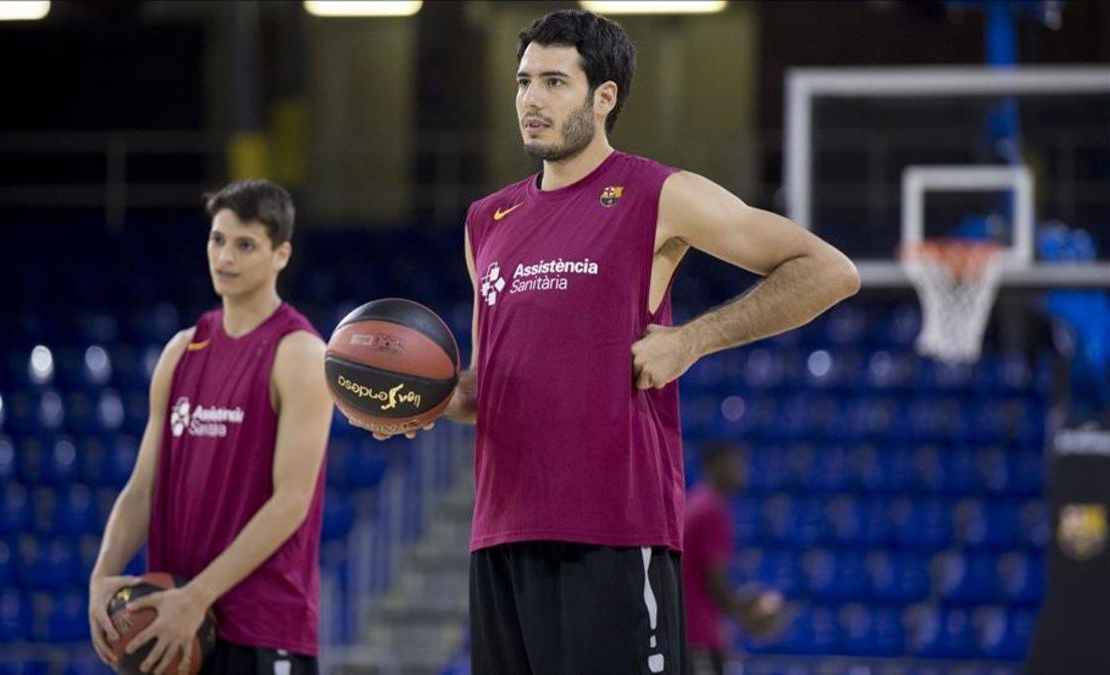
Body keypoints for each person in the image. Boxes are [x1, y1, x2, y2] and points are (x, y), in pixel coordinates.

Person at [374, 9, 858, 673]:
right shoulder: (487, 220)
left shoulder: (658, 193)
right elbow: (487, 387)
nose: (531, 100)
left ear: (605, 97)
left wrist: (691, 340)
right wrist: (419, 399)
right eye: (522, 82)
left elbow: (829, 270)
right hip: (502, 538)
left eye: (553, 82)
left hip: (614, 533)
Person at [86, 180, 333, 675]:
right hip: (175, 626)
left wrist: (197, 596)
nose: (226, 257)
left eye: (245, 245)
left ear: (281, 254)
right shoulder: (182, 351)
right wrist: (102, 575)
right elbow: (142, 488)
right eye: (217, 240)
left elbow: (290, 504)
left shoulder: (300, 353)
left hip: (261, 628)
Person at [684, 441, 784, 675]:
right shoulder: (710, 510)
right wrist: (749, 612)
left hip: (692, 633)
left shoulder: (698, 502)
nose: (743, 470)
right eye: (735, 463)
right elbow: (716, 584)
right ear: (715, 465)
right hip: (698, 637)